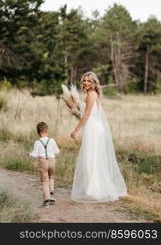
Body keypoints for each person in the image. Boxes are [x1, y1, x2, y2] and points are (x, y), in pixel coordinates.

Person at [70, 71, 128, 202]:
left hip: (93, 130)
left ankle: (95, 189)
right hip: (93, 128)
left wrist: (76, 130)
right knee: (92, 158)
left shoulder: (91, 94)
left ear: (94, 83)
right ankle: (93, 188)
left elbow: (87, 115)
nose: (85, 82)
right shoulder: (91, 94)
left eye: (89, 81)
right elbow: (86, 113)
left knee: (91, 158)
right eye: (84, 80)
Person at [29, 122, 60, 208]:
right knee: (51, 177)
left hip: (43, 162)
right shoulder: (52, 140)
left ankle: (47, 200)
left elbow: (35, 154)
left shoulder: (37, 142)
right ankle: (52, 195)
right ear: (47, 130)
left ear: (38, 132)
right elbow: (57, 151)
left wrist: (30, 154)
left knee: (44, 181)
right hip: (52, 161)